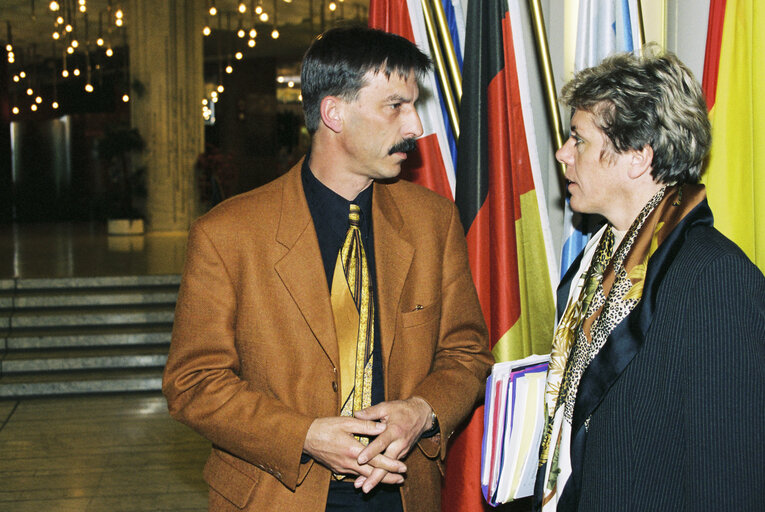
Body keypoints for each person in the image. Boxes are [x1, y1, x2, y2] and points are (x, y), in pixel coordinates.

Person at [163, 26, 493, 512]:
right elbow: (193, 382)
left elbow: (466, 353)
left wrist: (421, 411)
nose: (414, 126)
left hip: (403, 492)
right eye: (395, 106)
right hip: (278, 492)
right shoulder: (228, 233)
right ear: (334, 113)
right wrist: (306, 435)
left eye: (413, 105)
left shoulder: (433, 221)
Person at [534, 49, 765, 511]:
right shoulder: (593, 266)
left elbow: (729, 481)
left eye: (577, 139)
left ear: (638, 157)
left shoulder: (715, 279)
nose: (562, 153)